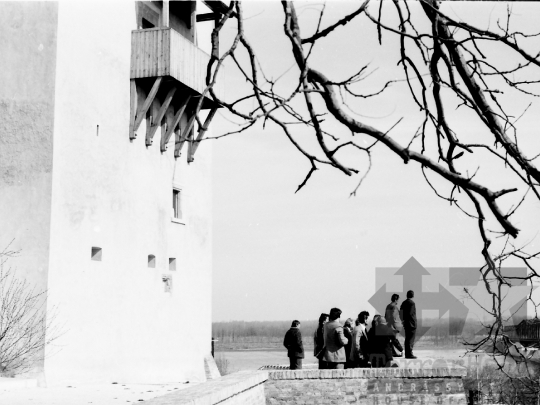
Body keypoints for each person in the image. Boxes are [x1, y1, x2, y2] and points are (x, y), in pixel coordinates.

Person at [400, 290, 418, 359]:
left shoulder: (403, 303)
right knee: (411, 339)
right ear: (413, 295)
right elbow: (410, 313)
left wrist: (403, 320)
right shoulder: (412, 303)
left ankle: (407, 353)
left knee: (407, 338)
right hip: (412, 323)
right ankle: (409, 353)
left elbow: (400, 313)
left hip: (406, 323)